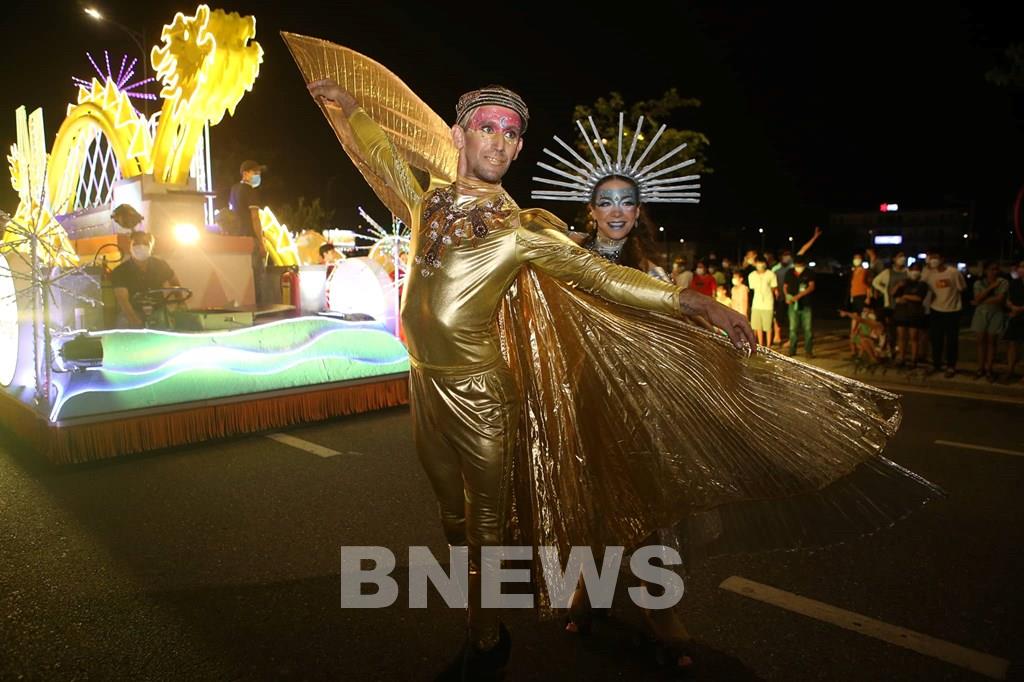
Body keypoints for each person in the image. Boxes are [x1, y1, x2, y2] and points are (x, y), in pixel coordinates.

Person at [294, 38, 941, 679]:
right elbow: (382, 159)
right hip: (424, 387)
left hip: (482, 392)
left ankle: (484, 637)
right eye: (485, 127)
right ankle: (512, 606)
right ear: (459, 135)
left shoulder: (524, 230)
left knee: (488, 525)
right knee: (455, 519)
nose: (497, 139)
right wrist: (352, 106)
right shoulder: (427, 202)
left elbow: (600, 279)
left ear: (519, 148)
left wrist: (696, 304)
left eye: (510, 132)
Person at [111, 231, 181, 328]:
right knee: (124, 324)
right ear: (130, 246)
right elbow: (123, 300)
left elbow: (175, 284)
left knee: (168, 324)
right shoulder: (120, 271)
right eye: (136, 243)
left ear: (151, 247)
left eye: (145, 243)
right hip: (132, 310)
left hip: (157, 310)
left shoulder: (160, 265)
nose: (140, 246)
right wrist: (134, 320)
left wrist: (180, 305)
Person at [228, 160, 268, 305]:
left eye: (259, 173)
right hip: (251, 239)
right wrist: (261, 243)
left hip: (237, 240)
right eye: (255, 172)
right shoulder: (249, 191)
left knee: (242, 277)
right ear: (245, 174)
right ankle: (259, 308)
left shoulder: (234, 189)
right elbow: (255, 217)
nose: (258, 176)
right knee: (257, 276)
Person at [922, 248, 966, 378]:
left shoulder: (953, 272)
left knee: (952, 340)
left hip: (952, 311)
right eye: (931, 257)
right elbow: (922, 284)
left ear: (942, 259)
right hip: (936, 310)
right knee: (936, 339)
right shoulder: (929, 273)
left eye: (936, 257)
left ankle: (951, 366)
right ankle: (936, 364)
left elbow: (962, 288)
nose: (933, 260)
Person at [970, 262, 1008, 382]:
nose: (994, 272)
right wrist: (991, 288)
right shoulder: (978, 283)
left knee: (992, 342)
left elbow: (1000, 299)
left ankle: (989, 369)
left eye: (996, 269)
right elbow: (977, 298)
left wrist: (981, 300)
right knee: (980, 341)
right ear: (986, 271)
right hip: (981, 314)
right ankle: (980, 368)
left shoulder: (1003, 282)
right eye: (991, 269)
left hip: (996, 313)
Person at [892, 262, 929, 368]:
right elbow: (893, 294)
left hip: (915, 314)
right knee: (901, 337)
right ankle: (901, 358)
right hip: (901, 314)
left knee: (914, 337)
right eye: (913, 269)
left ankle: (914, 360)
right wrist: (898, 286)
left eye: (917, 269)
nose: (915, 272)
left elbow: (919, 298)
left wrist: (905, 297)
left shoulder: (922, 284)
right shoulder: (904, 283)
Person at [784, 254, 816, 357]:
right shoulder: (789, 272)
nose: (798, 266)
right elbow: (785, 286)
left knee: (808, 329)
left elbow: (811, 287)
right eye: (796, 264)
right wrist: (786, 296)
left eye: (800, 264)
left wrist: (799, 296)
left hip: (806, 304)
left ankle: (808, 351)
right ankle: (792, 350)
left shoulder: (809, 273)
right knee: (793, 329)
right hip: (792, 304)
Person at [747, 255, 778, 347]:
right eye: (758, 263)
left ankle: (768, 346)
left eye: (762, 262)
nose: (760, 265)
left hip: (768, 304)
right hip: (756, 304)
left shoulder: (771, 274)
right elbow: (752, 288)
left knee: (768, 327)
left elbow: (774, 287)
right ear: (755, 264)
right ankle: (760, 345)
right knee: (757, 327)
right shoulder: (751, 275)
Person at [847, 251, 873, 357]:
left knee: (862, 325)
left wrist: (868, 297)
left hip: (862, 298)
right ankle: (853, 350)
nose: (856, 260)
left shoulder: (865, 271)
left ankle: (862, 351)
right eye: (855, 258)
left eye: (858, 258)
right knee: (853, 325)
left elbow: (868, 285)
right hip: (854, 299)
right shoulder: (853, 271)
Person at [1004, 260, 1024, 382]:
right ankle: (1010, 370)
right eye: (1020, 266)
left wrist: (1020, 309)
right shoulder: (1014, 283)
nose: (1021, 269)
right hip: (1015, 316)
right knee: (1012, 343)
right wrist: (1011, 307)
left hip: (1020, 313)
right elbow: (1008, 299)